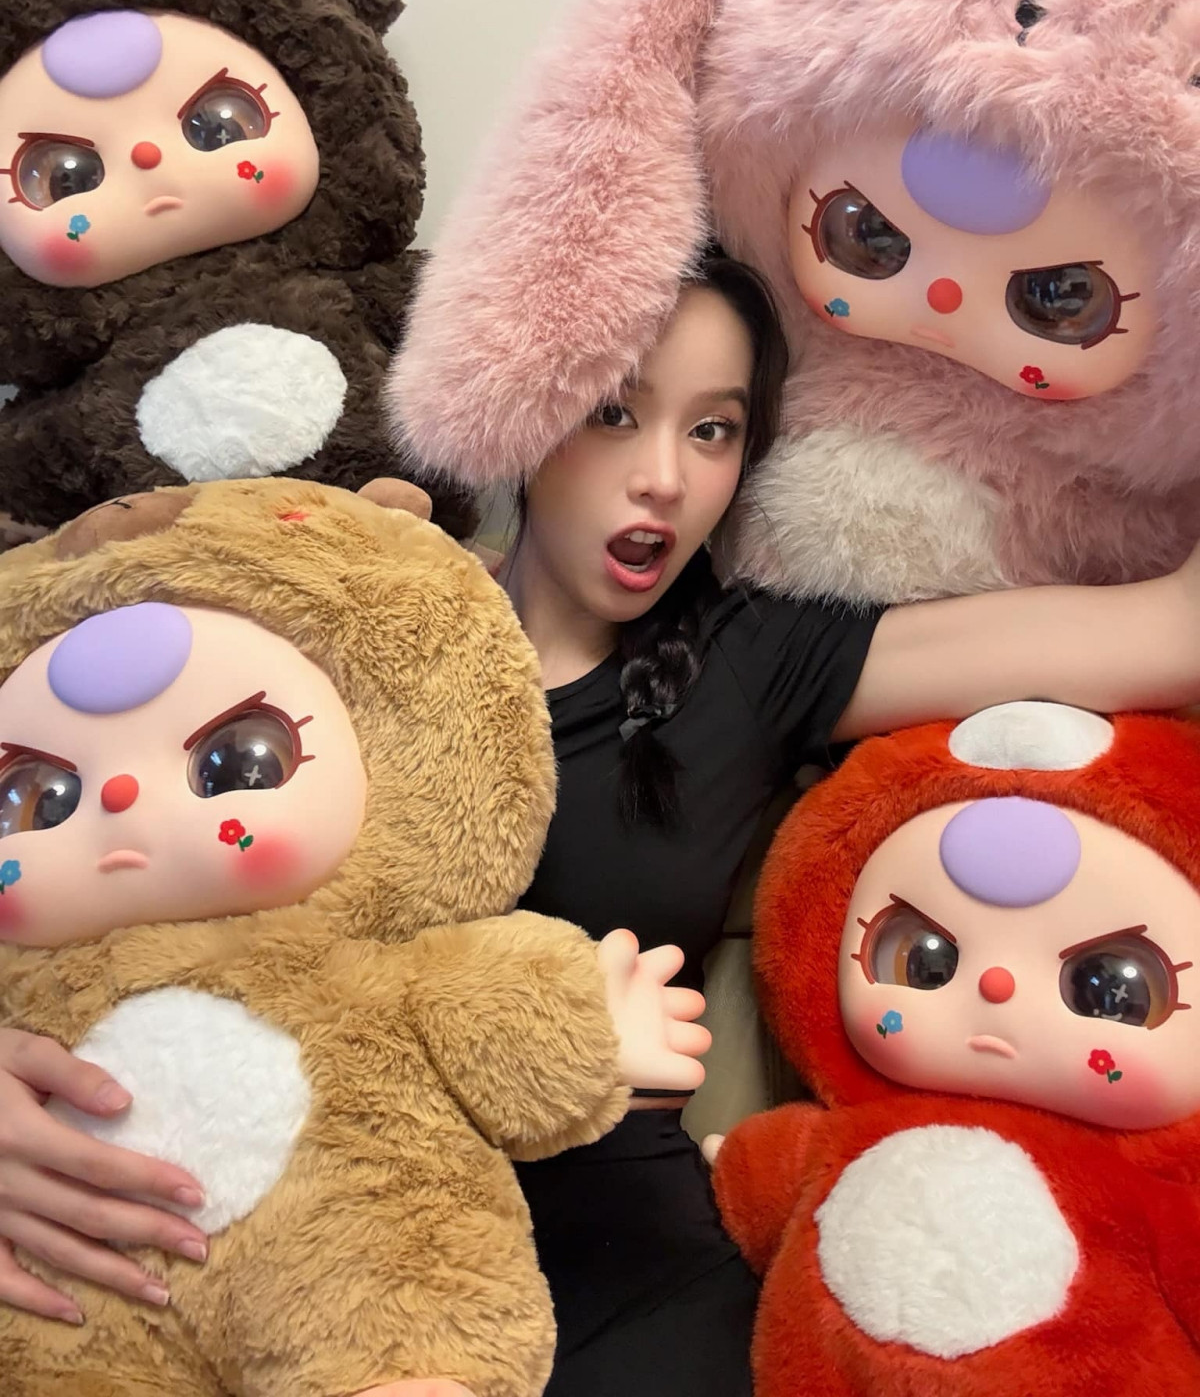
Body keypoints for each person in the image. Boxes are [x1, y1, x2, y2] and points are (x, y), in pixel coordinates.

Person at [5, 253, 1200, 1397]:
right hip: (276, 1236)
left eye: (714, 429)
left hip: (615, 1256)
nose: (666, 479)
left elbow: (1169, 634)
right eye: (615, 413)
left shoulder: (751, 657)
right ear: (525, 412)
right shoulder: (350, 614)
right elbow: (71, 808)